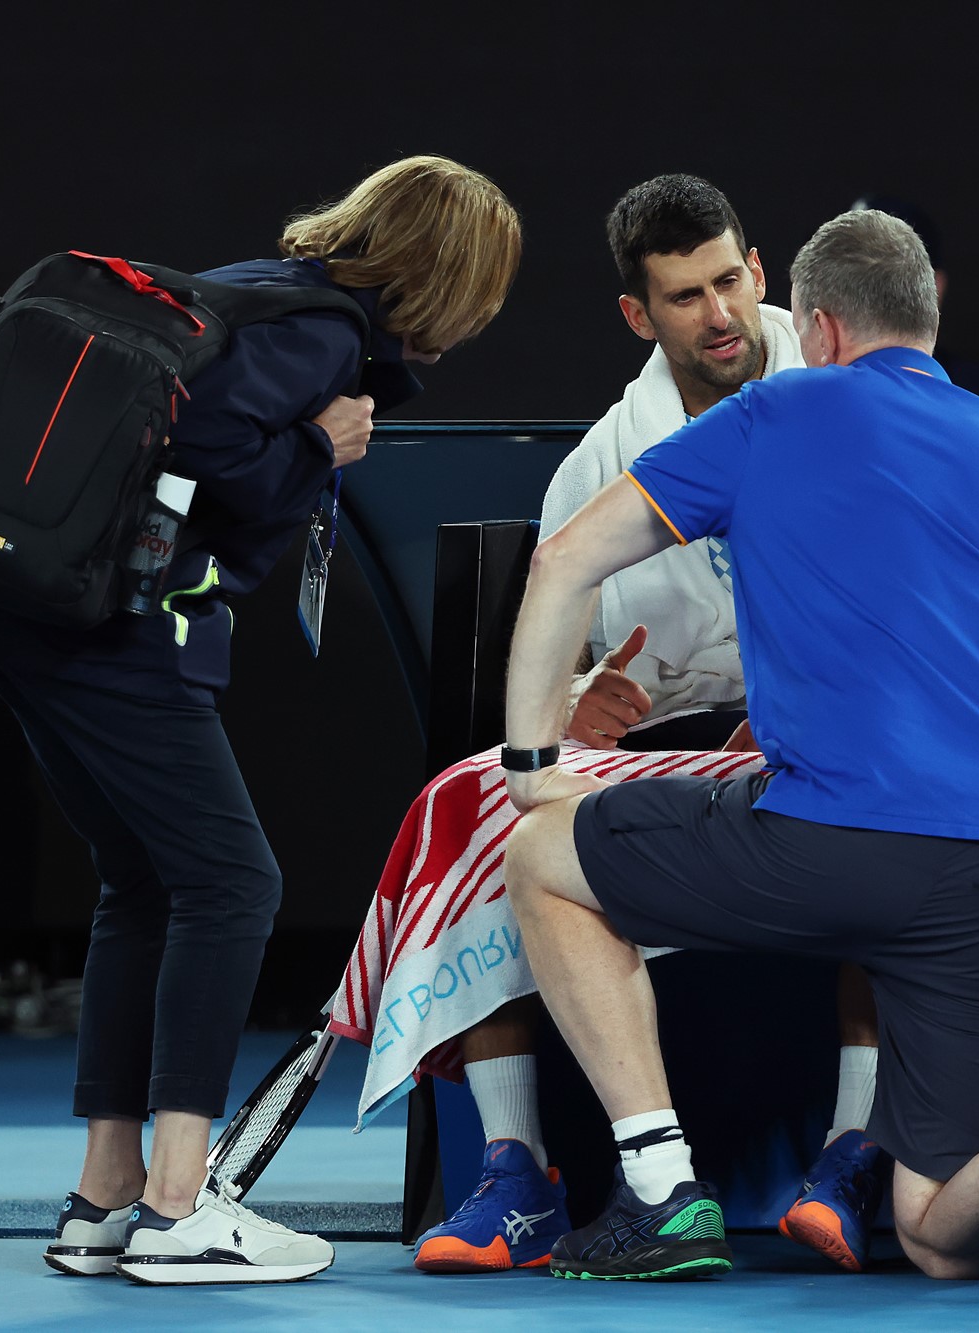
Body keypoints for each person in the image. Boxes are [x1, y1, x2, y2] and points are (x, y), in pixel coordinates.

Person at [497, 208, 979, 1291]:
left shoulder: (775, 413)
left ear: (816, 328)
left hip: (828, 845)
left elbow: (563, 561)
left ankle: (659, 1190)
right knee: (932, 1230)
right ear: (929, 312)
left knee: (541, 856)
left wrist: (531, 763)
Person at [0, 155, 521, 1285]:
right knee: (233, 885)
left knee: (143, 883)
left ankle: (103, 1197)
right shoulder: (323, 334)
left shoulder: (254, 286)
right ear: (451, 278)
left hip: (18, 618)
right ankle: (180, 1201)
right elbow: (208, 446)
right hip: (118, 635)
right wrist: (316, 447)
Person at [405, 174, 890, 1275]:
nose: (718, 315)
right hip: (668, 751)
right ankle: (515, 1173)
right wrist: (577, 700)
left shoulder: (860, 397)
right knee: (472, 800)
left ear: (760, 271)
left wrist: (800, 705)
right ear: (639, 314)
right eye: (684, 297)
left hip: (833, 730)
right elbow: (559, 650)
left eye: (729, 281)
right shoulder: (597, 465)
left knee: (894, 785)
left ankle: (855, 1152)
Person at [850, 192, 979, 413]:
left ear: (934, 286)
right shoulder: (807, 396)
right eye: (850, 270)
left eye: (891, 273)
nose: (865, 287)